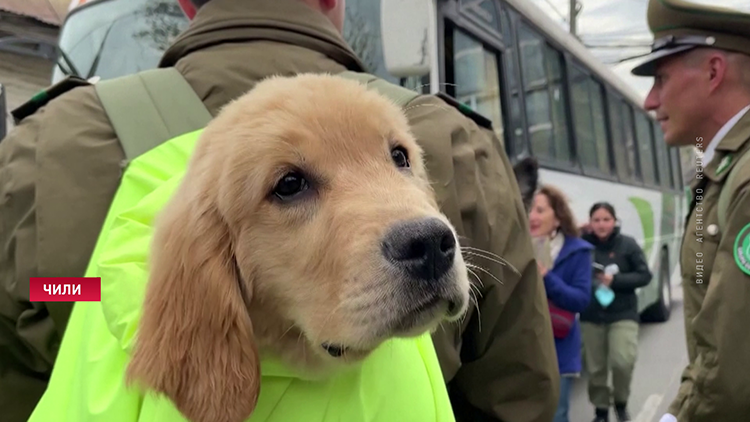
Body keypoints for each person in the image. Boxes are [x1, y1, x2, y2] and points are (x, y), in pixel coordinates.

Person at [0, 0, 560, 421]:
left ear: (186, 3)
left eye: (398, 157)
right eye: (291, 184)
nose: (426, 230)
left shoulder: (38, 148)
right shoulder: (459, 139)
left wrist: (75, 289)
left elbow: (20, 373)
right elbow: (517, 395)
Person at [631, 1, 750, 421]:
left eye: (660, 78)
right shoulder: (726, 170)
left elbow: (735, 369)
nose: (649, 100)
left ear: (714, 73)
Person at [580, 202, 652, 422]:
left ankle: (621, 403)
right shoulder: (582, 246)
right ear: (590, 223)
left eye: (606, 219)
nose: (602, 224)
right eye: (597, 220)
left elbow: (644, 275)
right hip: (591, 315)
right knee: (595, 369)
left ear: (615, 221)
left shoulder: (627, 245)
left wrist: (616, 280)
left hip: (623, 313)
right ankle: (601, 410)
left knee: (623, 361)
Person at [529, 185, 593, 422]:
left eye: (540, 210)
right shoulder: (517, 247)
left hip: (560, 349)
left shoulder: (578, 252)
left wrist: (547, 277)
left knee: (557, 415)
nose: (532, 216)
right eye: (529, 209)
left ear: (557, 218)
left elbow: (580, 300)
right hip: (524, 349)